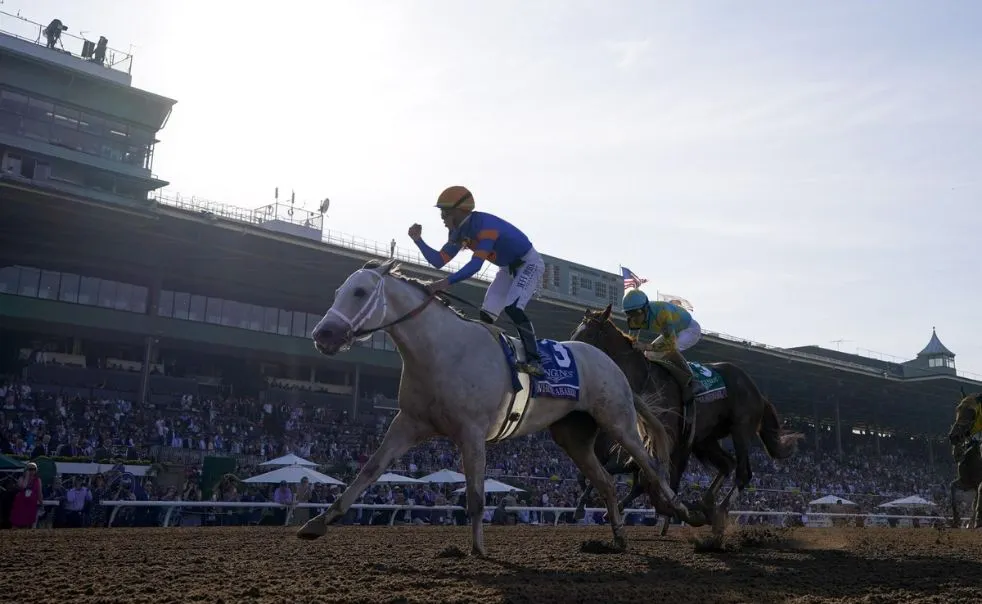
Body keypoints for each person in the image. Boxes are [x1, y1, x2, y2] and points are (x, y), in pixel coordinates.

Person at [409, 185, 546, 377]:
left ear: (459, 211)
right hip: (507, 268)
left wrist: (443, 284)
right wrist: (418, 240)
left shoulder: (485, 227)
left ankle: (535, 361)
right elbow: (439, 261)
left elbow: (475, 266)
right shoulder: (458, 232)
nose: (442, 219)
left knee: (513, 308)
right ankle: (492, 359)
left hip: (528, 264)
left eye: (444, 214)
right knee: (486, 316)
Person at [622, 288, 705, 399]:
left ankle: (693, 381)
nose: (635, 318)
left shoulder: (662, 313)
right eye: (629, 314)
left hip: (690, 329)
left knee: (670, 349)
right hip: (673, 331)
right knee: (649, 354)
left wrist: (645, 346)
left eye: (637, 313)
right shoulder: (634, 318)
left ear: (646, 308)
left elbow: (670, 344)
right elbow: (632, 342)